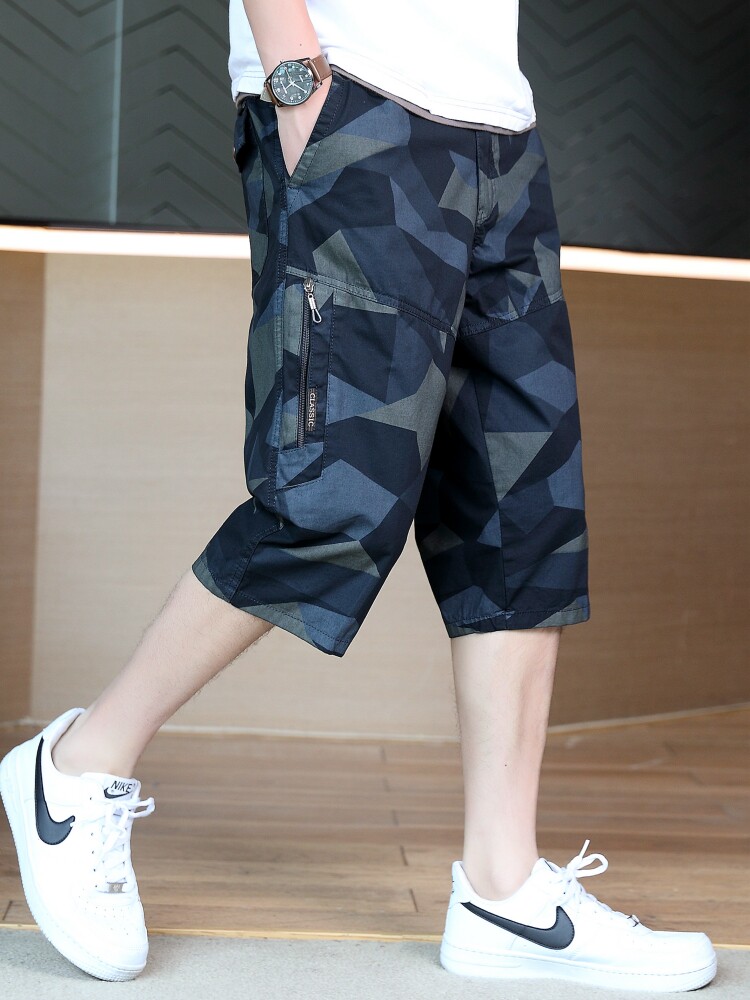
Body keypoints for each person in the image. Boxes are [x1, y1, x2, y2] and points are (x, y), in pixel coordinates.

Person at [0, 0, 716, 991]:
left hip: (499, 128)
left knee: (524, 513)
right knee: (331, 494)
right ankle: (77, 767)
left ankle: (503, 891)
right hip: (357, 102)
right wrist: (298, 84)